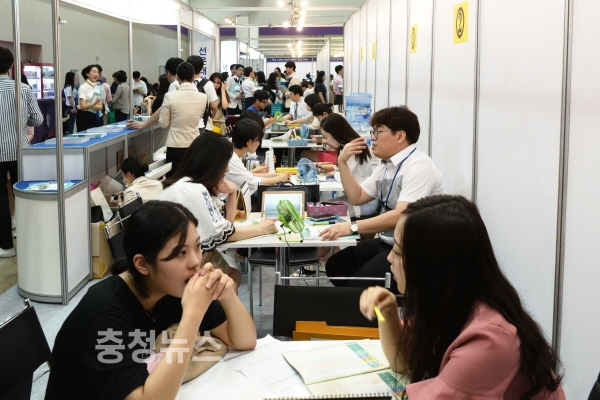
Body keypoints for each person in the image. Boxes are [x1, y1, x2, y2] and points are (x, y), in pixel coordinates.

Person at [45, 200, 256, 399]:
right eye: (180, 253)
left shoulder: (172, 285)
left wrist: (228, 295)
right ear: (142, 264)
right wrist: (193, 315)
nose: (195, 261)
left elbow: (244, 341)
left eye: (197, 246)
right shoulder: (103, 314)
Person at [359, 195, 565, 399]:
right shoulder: (447, 303)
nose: (389, 258)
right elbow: (403, 362)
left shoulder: (489, 341)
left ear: (432, 264)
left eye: (398, 251)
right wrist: (387, 313)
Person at [321, 106, 444, 294]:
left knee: (358, 287)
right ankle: (363, 307)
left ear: (400, 136)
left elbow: (401, 215)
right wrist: (342, 163)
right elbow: (357, 197)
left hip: (411, 250)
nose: (373, 138)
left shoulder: (420, 166)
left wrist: (352, 227)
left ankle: (371, 307)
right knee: (337, 267)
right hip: (387, 242)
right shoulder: (386, 166)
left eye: (378, 132)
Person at [158, 133, 278, 287]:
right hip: (174, 261)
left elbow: (226, 226)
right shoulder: (193, 189)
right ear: (212, 163)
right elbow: (224, 234)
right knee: (230, 279)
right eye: (225, 163)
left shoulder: (191, 184)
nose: (227, 169)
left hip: (178, 255)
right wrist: (261, 228)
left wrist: (233, 193)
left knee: (233, 275)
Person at [0, 47, 43, 257]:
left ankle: (6, 247)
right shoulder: (23, 88)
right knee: (23, 195)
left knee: (0, 198)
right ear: (11, 66)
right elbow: (38, 119)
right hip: (20, 148)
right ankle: (28, 243)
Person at [159, 62, 208, 177]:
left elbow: (163, 124)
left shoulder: (170, 96)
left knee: (173, 180)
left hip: (175, 145)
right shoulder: (203, 97)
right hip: (194, 144)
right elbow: (199, 116)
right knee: (193, 179)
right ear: (193, 77)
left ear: (177, 77)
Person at [226, 118, 290, 199]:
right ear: (248, 142)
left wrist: (276, 175)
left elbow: (246, 175)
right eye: (258, 140)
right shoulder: (232, 159)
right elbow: (252, 182)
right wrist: (279, 178)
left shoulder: (232, 152)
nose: (259, 143)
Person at [125, 57, 183, 131]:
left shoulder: (174, 85)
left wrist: (143, 125)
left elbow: (163, 108)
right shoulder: (189, 84)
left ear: (168, 73)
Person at [187, 55, 216, 134]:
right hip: (204, 123)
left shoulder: (184, 82)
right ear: (202, 68)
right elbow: (213, 106)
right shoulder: (208, 84)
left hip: (187, 124)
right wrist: (213, 114)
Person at [76, 64, 105, 132]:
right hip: (84, 117)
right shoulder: (83, 87)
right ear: (87, 74)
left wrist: (89, 104)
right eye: (94, 72)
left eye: (97, 72)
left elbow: (100, 107)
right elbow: (83, 107)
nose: (96, 74)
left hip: (95, 115)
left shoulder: (97, 87)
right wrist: (93, 104)